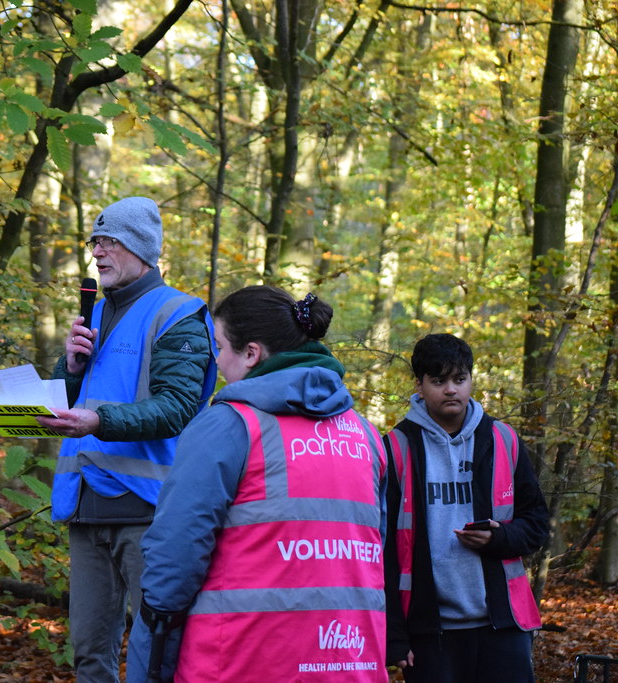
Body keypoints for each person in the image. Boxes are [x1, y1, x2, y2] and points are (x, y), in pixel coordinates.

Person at [126, 286, 389, 682]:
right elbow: (373, 548)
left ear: (251, 353)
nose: (216, 359)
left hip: (240, 659)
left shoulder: (228, 425)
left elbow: (176, 550)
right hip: (348, 661)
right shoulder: (365, 435)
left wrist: (154, 643)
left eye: (219, 347)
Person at [35, 196, 217, 682]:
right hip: (84, 507)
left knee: (157, 652)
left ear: (141, 247)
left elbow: (178, 407)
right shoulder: (93, 313)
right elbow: (70, 397)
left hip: (149, 513)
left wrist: (99, 422)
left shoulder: (178, 313)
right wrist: (70, 368)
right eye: (95, 242)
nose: (97, 252)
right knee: (88, 652)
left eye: (109, 241)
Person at [383, 333, 549, 682]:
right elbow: (382, 552)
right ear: (419, 385)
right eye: (438, 381)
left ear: (471, 380)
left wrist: (499, 538)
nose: (451, 390)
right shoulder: (396, 447)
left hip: (504, 626)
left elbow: (537, 524)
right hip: (430, 634)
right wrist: (394, 636)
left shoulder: (503, 439)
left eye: (460, 379)